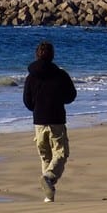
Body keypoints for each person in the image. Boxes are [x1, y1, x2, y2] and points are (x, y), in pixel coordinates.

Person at [23, 41, 77, 202]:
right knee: (60, 153)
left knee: (45, 155)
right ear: (52, 55)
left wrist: (37, 108)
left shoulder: (31, 76)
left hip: (39, 121)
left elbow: (27, 100)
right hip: (56, 119)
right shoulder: (60, 74)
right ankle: (49, 177)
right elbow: (71, 95)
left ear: (37, 54)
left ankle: (49, 194)